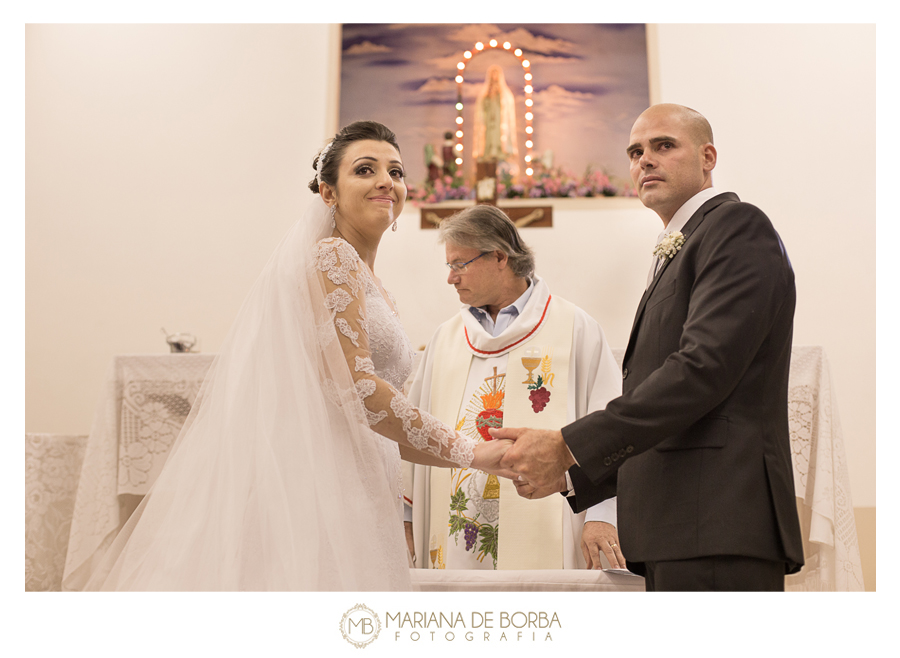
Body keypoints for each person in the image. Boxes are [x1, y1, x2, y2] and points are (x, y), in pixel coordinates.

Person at [81, 121, 511, 591]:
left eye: (396, 171)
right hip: (326, 491)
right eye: (365, 170)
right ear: (328, 193)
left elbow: (383, 429)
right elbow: (362, 392)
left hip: (363, 482)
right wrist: (471, 450)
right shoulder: (334, 258)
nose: (387, 181)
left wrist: (475, 459)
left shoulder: (370, 281)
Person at [493, 104, 805, 591]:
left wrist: (569, 446)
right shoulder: (680, 243)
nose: (644, 161)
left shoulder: (736, 227)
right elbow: (671, 413)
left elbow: (701, 371)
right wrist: (575, 477)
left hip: (719, 523)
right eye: (635, 152)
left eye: (664, 146)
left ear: (708, 157)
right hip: (677, 526)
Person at [407, 205, 624, 571]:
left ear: (499, 257)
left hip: (552, 530)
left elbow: (611, 431)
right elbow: (414, 435)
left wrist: (602, 513)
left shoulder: (575, 329)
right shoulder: (445, 339)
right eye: (449, 266)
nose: (451, 278)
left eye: (459, 264)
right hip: (454, 544)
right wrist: (407, 519)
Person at [473, 65, 518, 174]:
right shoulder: (485, 94)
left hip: (500, 123)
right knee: (489, 137)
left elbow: (508, 112)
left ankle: (500, 154)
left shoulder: (505, 94)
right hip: (489, 123)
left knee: (499, 137)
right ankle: (489, 154)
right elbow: (481, 110)